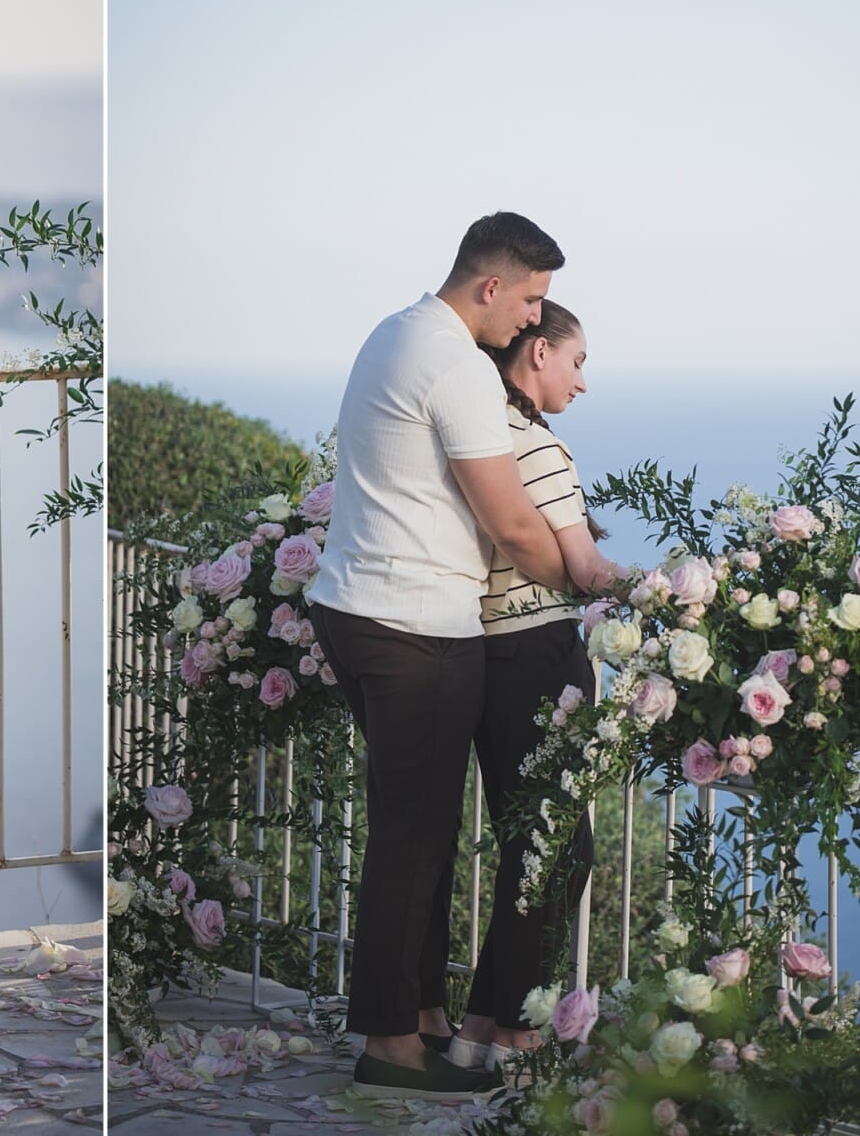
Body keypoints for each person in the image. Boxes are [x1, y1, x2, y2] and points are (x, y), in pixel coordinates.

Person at [308, 211, 586, 1101]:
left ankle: (422, 1017)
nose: (535, 323)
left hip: (356, 608)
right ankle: (390, 1044)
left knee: (413, 829)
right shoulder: (459, 365)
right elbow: (509, 521)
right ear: (491, 284)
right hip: (415, 626)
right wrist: (581, 586)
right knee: (412, 839)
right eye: (532, 300)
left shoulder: (393, 332)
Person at [445, 298, 620, 1081]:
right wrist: (676, 592)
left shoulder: (480, 434)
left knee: (529, 848)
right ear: (539, 351)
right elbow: (585, 570)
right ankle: (512, 1035)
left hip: (481, 655)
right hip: (539, 654)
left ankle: (478, 1031)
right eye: (577, 361)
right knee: (559, 852)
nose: (582, 382)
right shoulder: (539, 450)